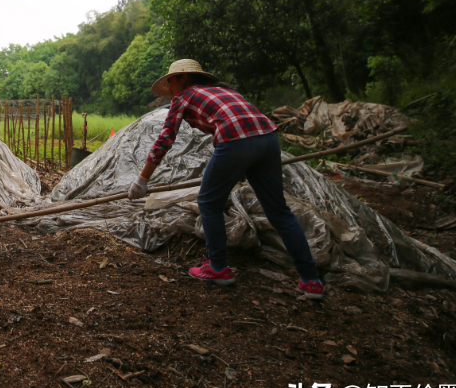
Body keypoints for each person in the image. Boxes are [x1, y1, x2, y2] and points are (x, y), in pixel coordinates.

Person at [128, 59, 325, 299]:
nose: (170, 88)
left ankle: (217, 267)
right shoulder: (224, 90)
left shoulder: (184, 96)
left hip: (235, 140)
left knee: (209, 202)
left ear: (183, 77)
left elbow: (165, 139)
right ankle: (311, 279)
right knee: (278, 210)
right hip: (268, 139)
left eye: (171, 81)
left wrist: (142, 179)